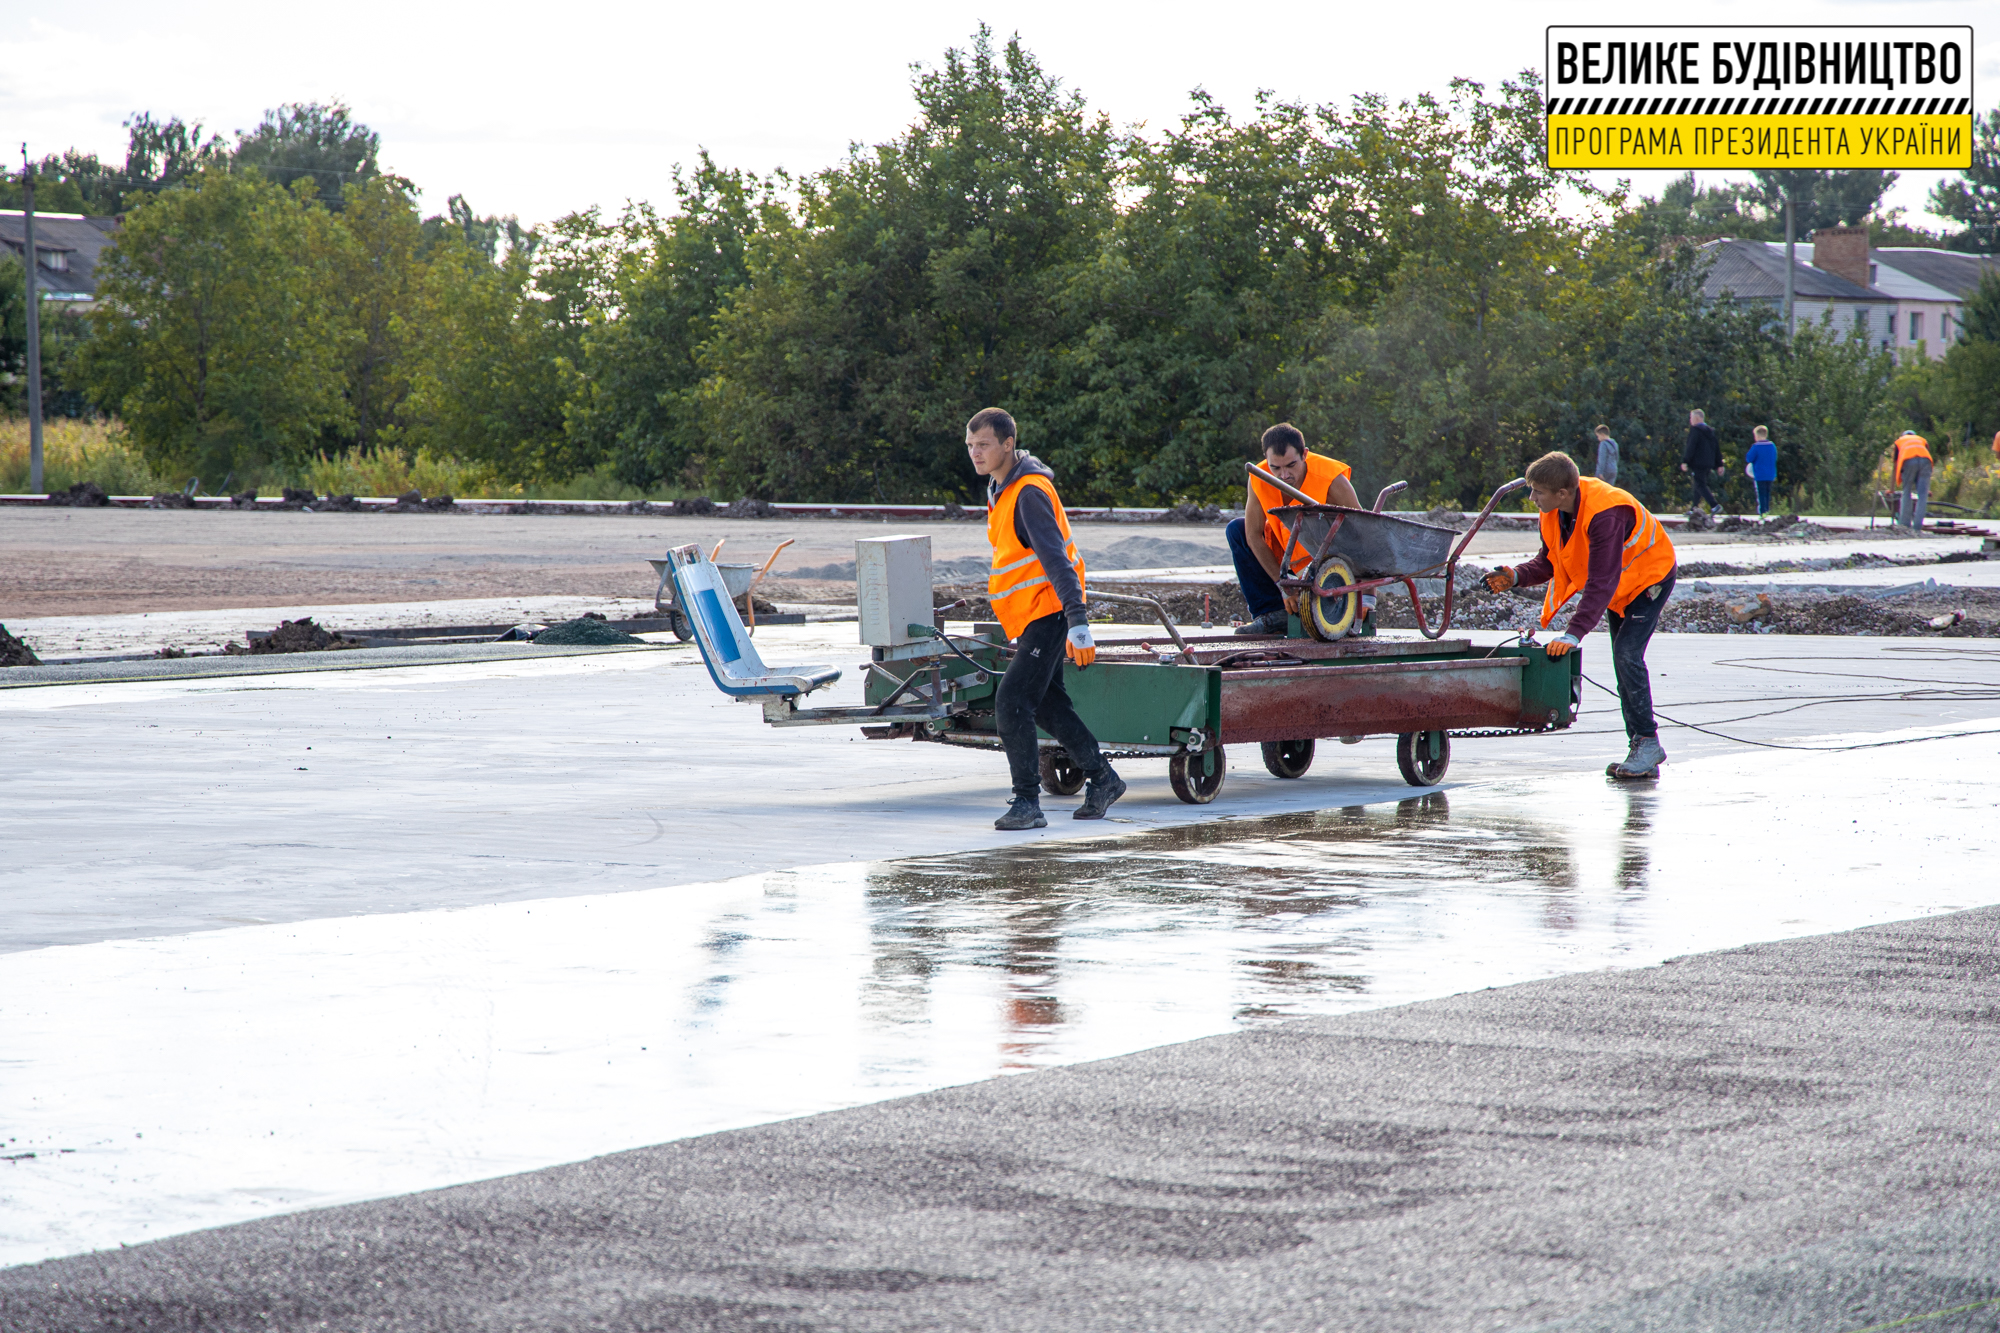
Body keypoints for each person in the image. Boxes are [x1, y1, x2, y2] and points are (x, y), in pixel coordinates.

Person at [967, 407, 1125, 831]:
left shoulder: (1029, 493)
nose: (975, 453)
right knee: (1048, 703)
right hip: (1032, 614)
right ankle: (1103, 778)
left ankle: (1027, 803)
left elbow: (1058, 561)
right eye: (970, 446)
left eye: (983, 445)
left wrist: (1078, 619)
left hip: (1051, 609)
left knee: (1012, 700)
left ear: (1007, 444)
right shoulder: (1000, 488)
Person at [1484, 451, 1678, 780]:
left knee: (1628, 656)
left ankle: (1647, 742)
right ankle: (1642, 746)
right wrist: (1516, 575)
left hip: (1649, 579)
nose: (1532, 498)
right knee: (1623, 659)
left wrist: (1573, 633)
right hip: (1621, 588)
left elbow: (1601, 581)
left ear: (1562, 493)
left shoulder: (1606, 513)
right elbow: (1549, 561)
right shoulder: (1555, 510)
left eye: (1538, 492)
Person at [1227, 423, 1363, 636]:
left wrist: (1367, 597)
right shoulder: (1259, 476)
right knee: (1237, 529)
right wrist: (1285, 587)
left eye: (1291, 465)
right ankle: (1272, 615)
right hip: (1288, 556)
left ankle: (1323, 604)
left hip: (1327, 562)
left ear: (1305, 454)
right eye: (1276, 468)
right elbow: (1253, 535)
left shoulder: (1332, 479)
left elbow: (1364, 535)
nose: (1284, 475)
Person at [1680, 409, 1724, 513]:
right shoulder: (1710, 432)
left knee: (1700, 485)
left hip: (1698, 463)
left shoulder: (1695, 430)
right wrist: (1719, 464)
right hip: (1708, 463)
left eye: (1691, 417)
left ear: (1696, 418)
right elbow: (1716, 448)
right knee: (1698, 485)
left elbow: (1691, 447)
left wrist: (1685, 461)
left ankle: (1714, 505)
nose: (1690, 420)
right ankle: (1694, 508)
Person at [1890, 429, 1933, 532]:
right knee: (1923, 495)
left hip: (1909, 461)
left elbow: (1895, 465)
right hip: (1926, 461)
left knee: (1906, 491)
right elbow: (1925, 458)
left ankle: (1904, 525)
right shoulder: (1921, 440)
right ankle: (1917, 527)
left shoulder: (1900, 441)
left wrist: (1891, 489)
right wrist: (1928, 489)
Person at [1745, 425, 1778, 517]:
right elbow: (1775, 457)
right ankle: (1767, 509)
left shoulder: (1756, 446)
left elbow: (1749, 458)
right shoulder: (1772, 446)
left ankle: (1762, 511)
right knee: (1767, 492)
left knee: (1761, 493)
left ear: (1757, 436)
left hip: (1760, 474)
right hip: (1770, 474)